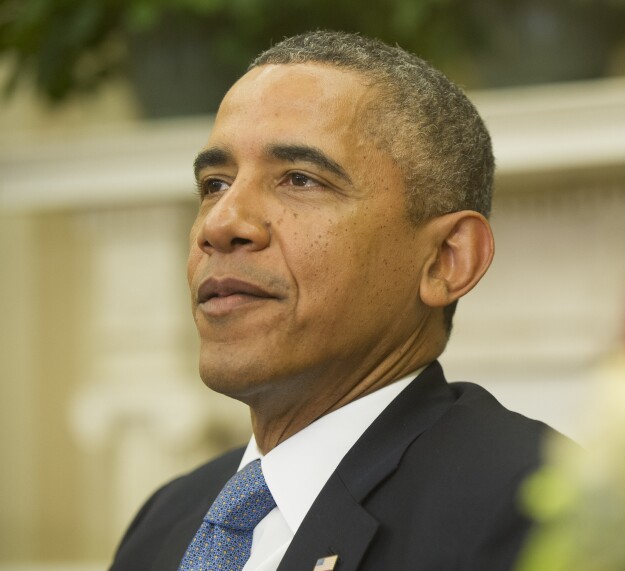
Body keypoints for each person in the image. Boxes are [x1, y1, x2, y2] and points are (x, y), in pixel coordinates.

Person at [110, 30, 555, 571]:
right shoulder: (166, 522)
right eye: (215, 184)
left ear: (446, 259)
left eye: (300, 179)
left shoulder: (539, 509)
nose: (221, 224)